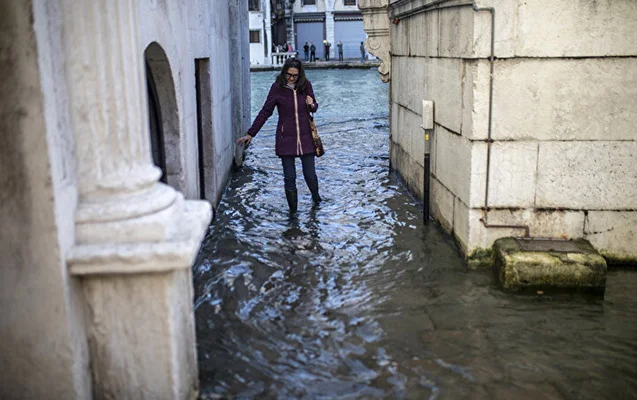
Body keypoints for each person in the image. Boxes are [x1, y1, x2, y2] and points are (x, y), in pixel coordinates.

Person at [236, 58, 321, 212]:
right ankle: (293, 214)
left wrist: (312, 104)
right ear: (284, 72)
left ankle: (317, 200)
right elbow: (265, 111)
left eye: (295, 75)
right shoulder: (277, 88)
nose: (291, 78)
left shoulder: (306, 85)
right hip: (285, 138)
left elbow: (314, 107)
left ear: (300, 75)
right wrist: (251, 133)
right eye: (289, 74)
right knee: (289, 177)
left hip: (306, 137)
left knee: (310, 175)